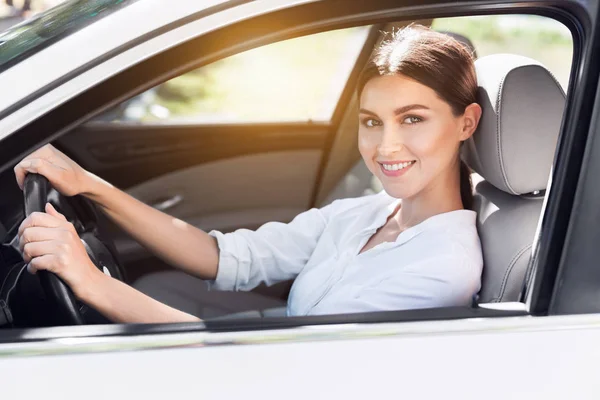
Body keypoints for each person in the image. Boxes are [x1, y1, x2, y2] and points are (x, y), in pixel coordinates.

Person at [13, 25, 483, 324]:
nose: (385, 146)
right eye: (371, 121)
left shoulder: (442, 268)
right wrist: (89, 185)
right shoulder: (368, 213)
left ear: (467, 122)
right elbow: (228, 258)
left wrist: (91, 282)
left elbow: (285, 371)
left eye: (413, 118)